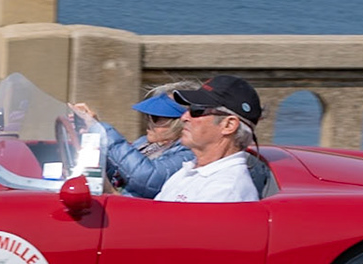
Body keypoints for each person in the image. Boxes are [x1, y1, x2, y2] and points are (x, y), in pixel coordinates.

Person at [72, 80, 202, 198]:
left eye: (157, 118)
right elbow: (119, 173)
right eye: (148, 116)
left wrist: (103, 131)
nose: (149, 122)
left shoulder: (189, 153)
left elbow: (147, 178)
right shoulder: (144, 143)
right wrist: (90, 134)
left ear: (183, 122)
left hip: (139, 215)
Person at [155, 74, 264, 203]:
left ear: (228, 125)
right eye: (187, 109)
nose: (184, 117)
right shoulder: (190, 171)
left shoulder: (225, 190)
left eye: (196, 110)